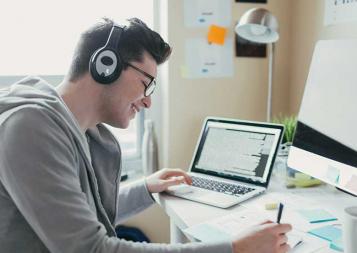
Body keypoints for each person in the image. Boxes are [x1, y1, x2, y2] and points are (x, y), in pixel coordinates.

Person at [0, 17, 291, 253]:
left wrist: (147, 189)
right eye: (146, 83)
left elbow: (86, 213)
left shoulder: (84, 132)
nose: (148, 101)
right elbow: (92, 249)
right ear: (105, 65)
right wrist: (234, 249)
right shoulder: (30, 127)